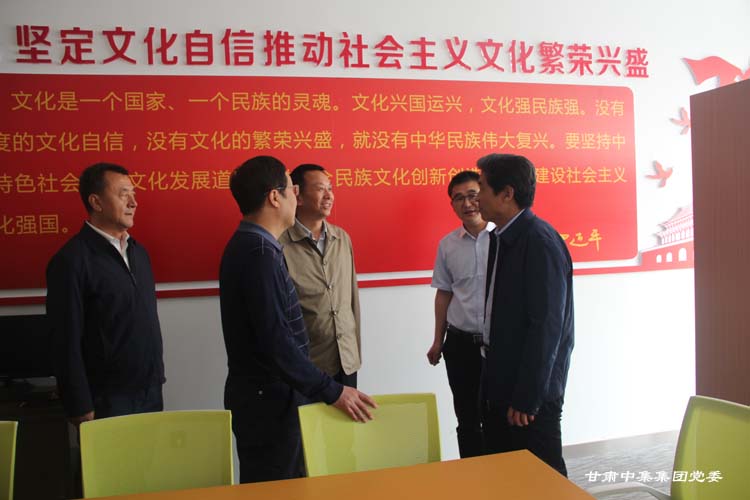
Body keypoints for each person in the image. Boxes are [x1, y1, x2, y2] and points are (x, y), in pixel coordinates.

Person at [219, 155, 376, 483]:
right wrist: (332, 391)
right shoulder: (260, 253)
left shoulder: (256, 246)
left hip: (275, 395)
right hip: (268, 402)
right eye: (291, 187)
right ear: (274, 198)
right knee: (279, 484)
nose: (296, 194)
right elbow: (276, 342)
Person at [477, 153, 574, 476]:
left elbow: (546, 327)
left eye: (482, 187)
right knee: (507, 476)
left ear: (507, 194)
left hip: (529, 395)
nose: (477, 197)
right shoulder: (504, 237)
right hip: (504, 380)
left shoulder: (538, 241)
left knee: (543, 479)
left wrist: (527, 397)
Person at [46, 163, 165, 425]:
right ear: (96, 202)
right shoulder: (72, 260)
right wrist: (78, 403)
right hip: (106, 397)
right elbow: (64, 340)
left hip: (149, 389)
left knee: (150, 454)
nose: (133, 202)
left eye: (133, 194)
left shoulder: (138, 252)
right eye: (123, 194)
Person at [427, 171, 494, 458]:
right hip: (460, 344)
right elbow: (444, 293)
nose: (467, 204)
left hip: (497, 345)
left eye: (473, 195)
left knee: (497, 416)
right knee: (466, 418)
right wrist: (437, 340)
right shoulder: (448, 244)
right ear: (452, 204)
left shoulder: (503, 237)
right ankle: (472, 474)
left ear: (485, 196)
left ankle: (501, 475)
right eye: (459, 198)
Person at [279, 164, 361, 388]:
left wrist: (355, 352)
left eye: (330, 188)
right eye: (320, 189)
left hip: (346, 360)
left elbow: (352, 299)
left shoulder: (341, 238)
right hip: (306, 366)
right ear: (298, 196)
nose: (329, 196)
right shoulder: (280, 244)